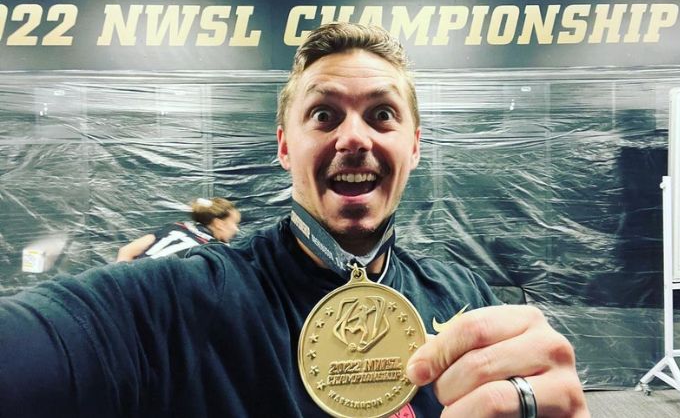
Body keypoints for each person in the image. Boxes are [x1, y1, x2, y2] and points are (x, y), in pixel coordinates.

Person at [0, 22, 588, 418]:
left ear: (414, 145)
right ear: (285, 147)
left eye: (382, 114)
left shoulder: (465, 298)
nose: (353, 137)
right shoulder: (181, 303)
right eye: (324, 115)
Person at [115, 197, 241, 262]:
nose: (237, 230)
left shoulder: (176, 227)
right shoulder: (215, 250)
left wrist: (119, 282)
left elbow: (126, 251)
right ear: (219, 224)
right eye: (235, 223)